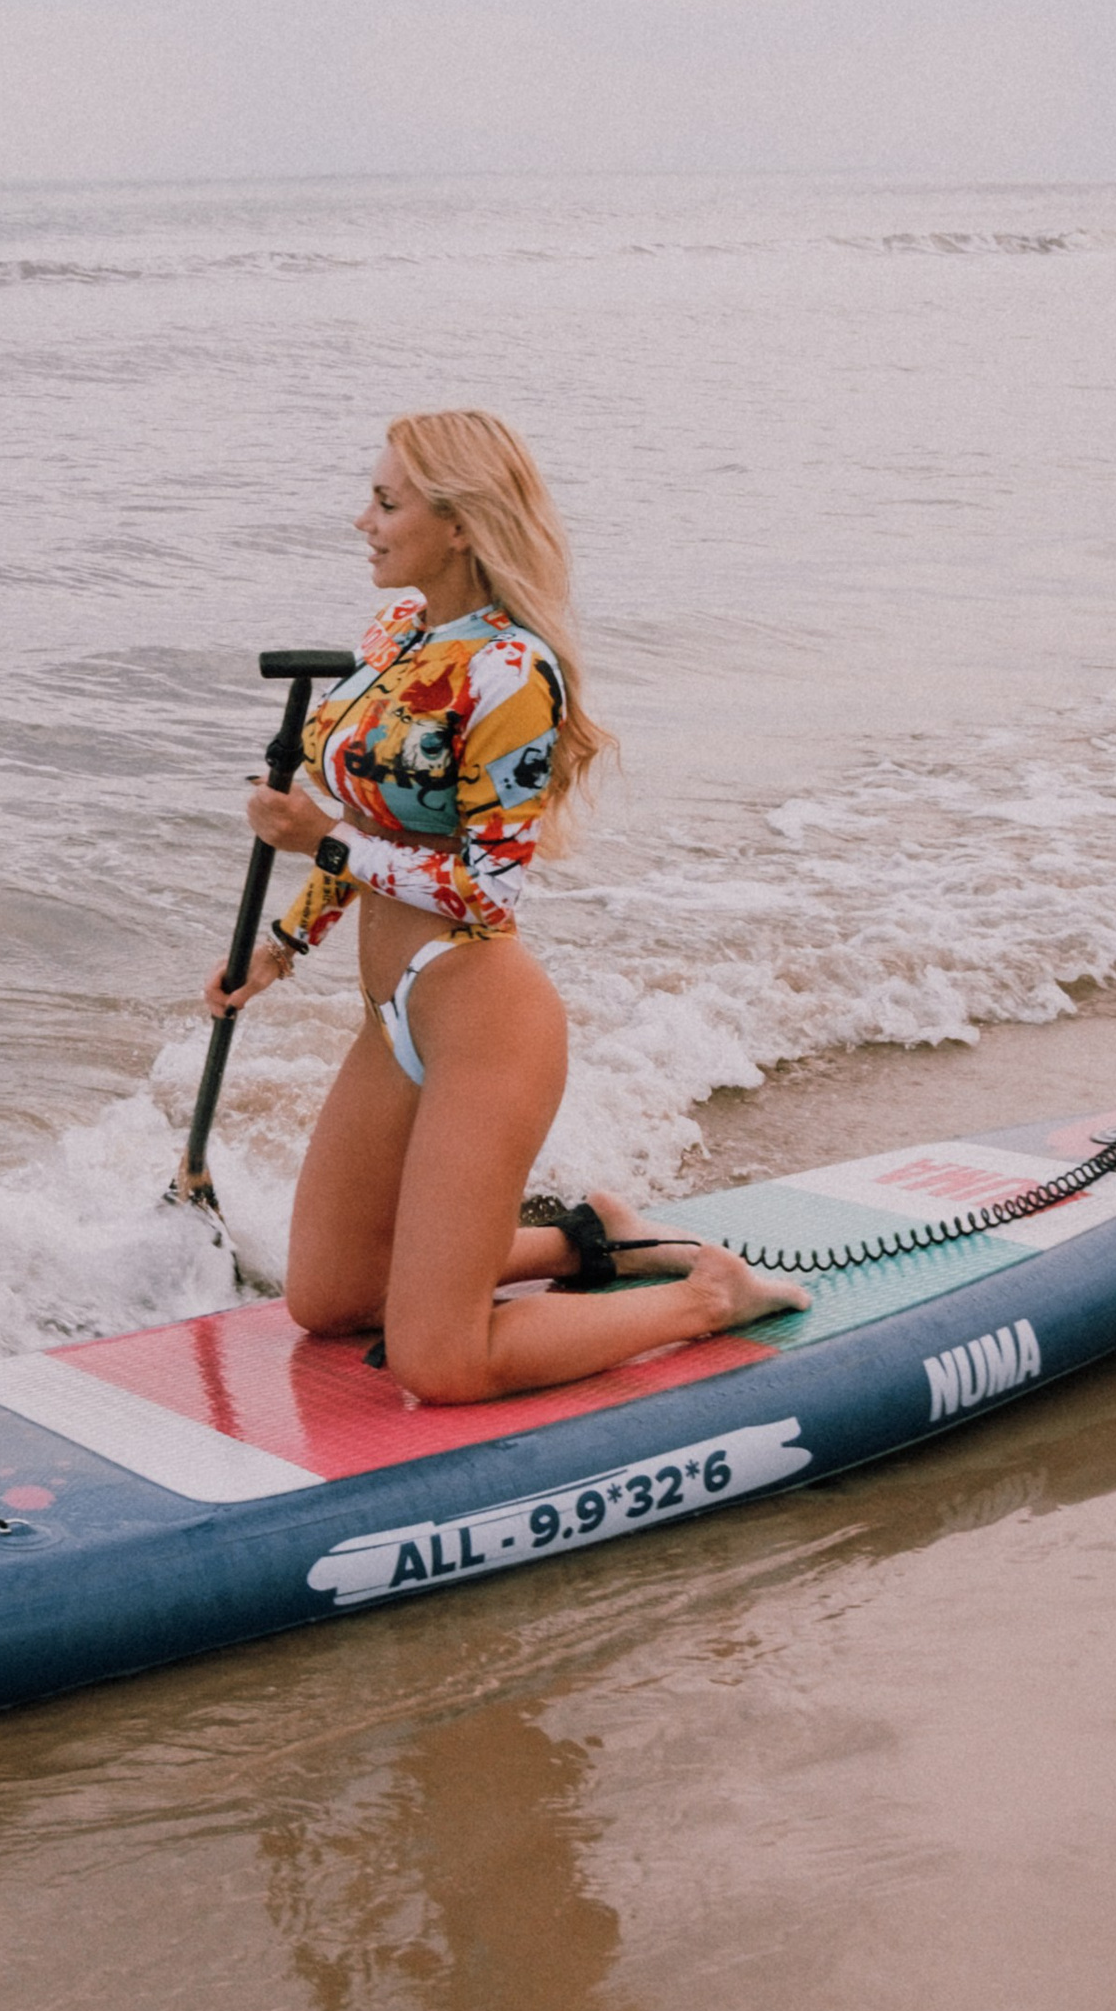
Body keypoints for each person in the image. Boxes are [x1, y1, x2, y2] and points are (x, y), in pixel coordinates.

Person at [204, 409, 807, 1404]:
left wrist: (320, 839)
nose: (362, 520)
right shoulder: (396, 636)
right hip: (392, 1017)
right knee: (329, 1296)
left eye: (386, 502)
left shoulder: (512, 676)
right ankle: (592, 1240)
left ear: (459, 524)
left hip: (483, 1023)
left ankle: (709, 1297)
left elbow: (486, 892)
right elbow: (377, 821)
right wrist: (283, 944)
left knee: (440, 1361)